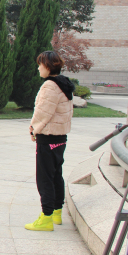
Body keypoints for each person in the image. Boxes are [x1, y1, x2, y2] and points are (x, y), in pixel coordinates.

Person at [25, 51, 75, 231]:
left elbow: (43, 112)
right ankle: (56, 212)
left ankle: (45, 218)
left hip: (48, 137)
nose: (38, 68)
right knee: (55, 175)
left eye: (40, 65)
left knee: (44, 177)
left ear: (47, 66)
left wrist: (33, 129)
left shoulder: (50, 86)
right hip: (60, 137)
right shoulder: (64, 84)